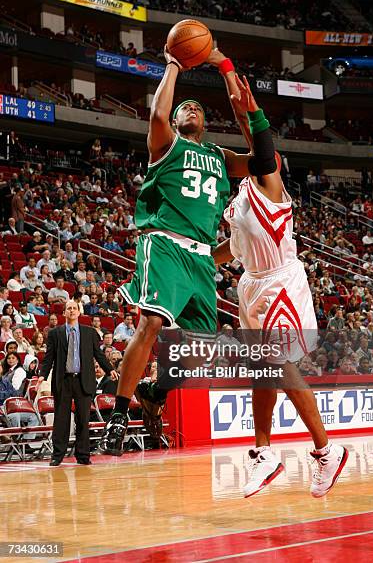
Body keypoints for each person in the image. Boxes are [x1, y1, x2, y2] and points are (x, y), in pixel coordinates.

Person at [98, 45, 251, 454]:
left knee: (201, 352)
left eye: (198, 108)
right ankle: (118, 414)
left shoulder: (220, 157)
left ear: (206, 121)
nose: (191, 109)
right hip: (163, 243)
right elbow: (157, 115)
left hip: (200, 257)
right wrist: (173, 66)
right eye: (186, 107)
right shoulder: (166, 143)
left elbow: (263, 161)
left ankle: (155, 391)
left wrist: (240, 95)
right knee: (150, 324)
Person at [212, 75, 347, 498]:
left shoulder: (268, 184)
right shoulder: (237, 204)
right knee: (262, 372)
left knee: (276, 362)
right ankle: (264, 452)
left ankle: (327, 451)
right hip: (250, 287)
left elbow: (260, 145)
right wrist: (192, 260)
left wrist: (249, 109)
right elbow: (230, 252)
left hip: (281, 280)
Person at [38, 300, 118, 466]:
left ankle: (83, 455)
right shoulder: (55, 333)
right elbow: (49, 357)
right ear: (64, 313)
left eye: (74, 308)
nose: (72, 311)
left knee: (83, 419)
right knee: (61, 420)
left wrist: (109, 369)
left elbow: (99, 354)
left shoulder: (89, 333)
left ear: (79, 312)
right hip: (63, 380)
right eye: (69, 308)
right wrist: (42, 375)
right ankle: (57, 455)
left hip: (83, 380)